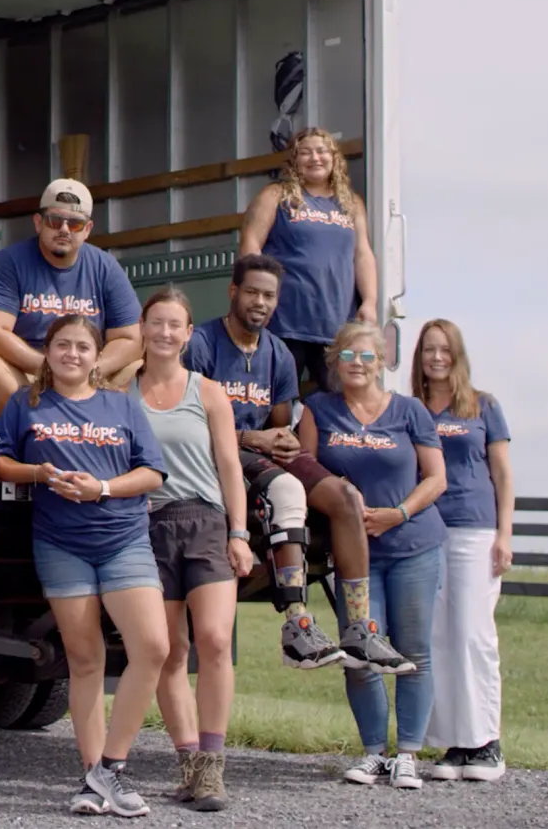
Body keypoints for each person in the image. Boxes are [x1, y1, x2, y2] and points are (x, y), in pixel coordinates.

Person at [183, 253, 412, 674]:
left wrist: (285, 441)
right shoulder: (201, 345)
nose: (260, 302)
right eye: (252, 291)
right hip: (214, 455)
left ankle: (359, 628)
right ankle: (296, 626)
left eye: (269, 295)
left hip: (260, 453)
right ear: (233, 292)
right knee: (286, 490)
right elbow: (184, 425)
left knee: (344, 496)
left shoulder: (279, 354)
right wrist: (252, 438)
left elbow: (277, 425)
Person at [0, 313, 170, 818]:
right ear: (46, 353)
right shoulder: (25, 405)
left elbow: (153, 472)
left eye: (83, 347)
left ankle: (111, 767)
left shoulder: (121, 406)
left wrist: (104, 489)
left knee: (153, 648)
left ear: (97, 358)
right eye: (62, 345)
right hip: (60, 544)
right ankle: (94, 777)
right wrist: (38, 473)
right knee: (85, 659)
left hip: (123, 540)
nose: (72, 353)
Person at [297, 321, 446, 791]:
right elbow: (305, 468)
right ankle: (372, 754)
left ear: (382, 363)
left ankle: (408, 755)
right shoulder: (318, 409)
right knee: (360, 650)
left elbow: (436, 478)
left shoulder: (410, 410)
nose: (357, 364)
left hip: (413, 546)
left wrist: (397, 514)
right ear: (334, 362)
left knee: (413, 651)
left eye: (366, 357)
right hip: (355, 556)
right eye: (347, 356)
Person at [129, 286, 252, 812]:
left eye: (174, 324)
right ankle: (187, 764)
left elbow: (230, 467)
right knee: (169, 651)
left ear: (188, 332)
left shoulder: (207, 392)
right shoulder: (122, 392)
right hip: (147, 524)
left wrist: (239, 532)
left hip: (205, 520)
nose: (164, 333)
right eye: (156, 322)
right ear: (142, 327)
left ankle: (213, 765)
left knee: (215, 640)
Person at [413, 318, 513, 783]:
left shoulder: (484, 406)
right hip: (429, 529)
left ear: (457, 355)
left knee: (473, 634)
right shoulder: (413, 410)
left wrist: (505, 535)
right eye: (429, 349)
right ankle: (455, 745)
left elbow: (504, 475)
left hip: (475, 529)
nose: (436, 357)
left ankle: (486, 743)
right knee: (438, 637)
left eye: (444, 350)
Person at [0, 178, 144, 419]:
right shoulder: (8, 262)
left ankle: (117, 450)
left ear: (87, 229)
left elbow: (131, 338)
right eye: (54, 220)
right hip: (27, 372)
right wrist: (47, 368)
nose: (63, 229)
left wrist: (91, 369)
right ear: (38, 223)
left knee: (142, 372)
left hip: (89, 372)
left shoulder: (106, 267)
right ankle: (8, 448)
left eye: (74, 224)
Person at [238, 128, 378, 395]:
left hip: (336, 326)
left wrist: (369, 302)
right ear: (294, 160)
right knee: (275, 398)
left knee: (341, 401)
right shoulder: (276, 195)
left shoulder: (351, 203)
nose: (315, 158)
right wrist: (257, 299)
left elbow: (363, 253)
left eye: (322, 151)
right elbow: (250, 245)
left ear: (334, 158)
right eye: (306, 152)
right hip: (286, 321)